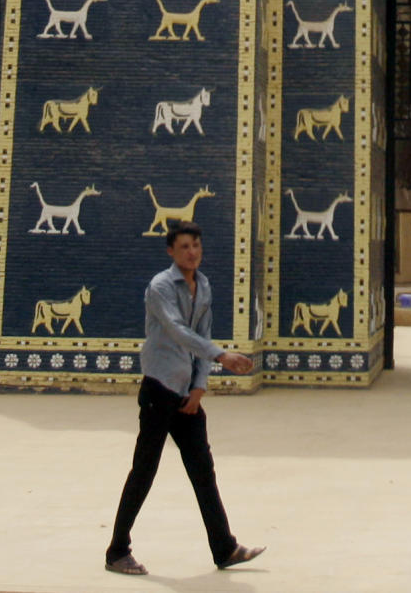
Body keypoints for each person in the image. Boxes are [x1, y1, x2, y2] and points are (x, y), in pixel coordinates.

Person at [105, 222, 264, 576]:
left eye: (196, 245)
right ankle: (117, 550)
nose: (192, 251)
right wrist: (222, 356)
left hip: (186, 395)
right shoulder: (160, 287)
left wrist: (199, 388)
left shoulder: (203, 285)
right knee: (144, 470)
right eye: (184, 247)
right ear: (171, 252)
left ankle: (224, 548)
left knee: (203, 471)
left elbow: (202, 334)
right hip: (159, 389)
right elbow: (178, 331)